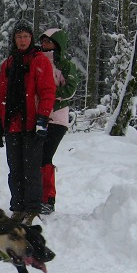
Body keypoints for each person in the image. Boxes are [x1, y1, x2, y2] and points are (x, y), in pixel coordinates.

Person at [0, 22, 56, 216]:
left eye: (26, 36)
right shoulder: (8, 64)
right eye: (19, 37)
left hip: (32, 124)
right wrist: (0, 123)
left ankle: (32, 210)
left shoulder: (40, 61)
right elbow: (2, 95)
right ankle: (17, 207)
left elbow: (47, 92)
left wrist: (42, 119)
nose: (22, 40)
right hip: (12, 124)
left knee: (31, 169)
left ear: (31, 38)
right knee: (15, 169)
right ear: (14, 39)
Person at [38, 28, 81, 214]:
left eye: (49, 41)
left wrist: (49, 98)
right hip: (39, 116)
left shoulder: (65, 65)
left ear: (58, 44)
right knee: (36, 157)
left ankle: (48, 198)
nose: (45, 44)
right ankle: (36, 196)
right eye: (44, 41)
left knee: (45, 157)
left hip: (57, 118)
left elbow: (70, 90)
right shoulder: (37, 60)